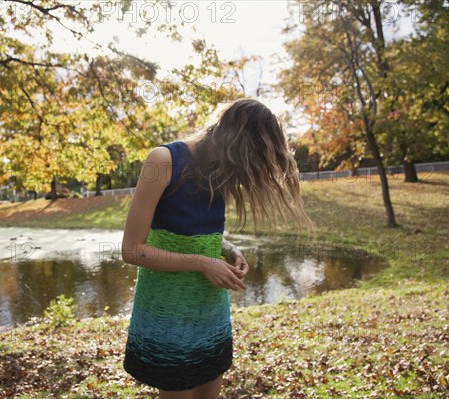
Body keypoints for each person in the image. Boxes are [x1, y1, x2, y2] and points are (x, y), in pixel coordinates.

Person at [121, 98, 313, 399]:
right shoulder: (163, 160)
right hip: (169, 312)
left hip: (210, 313)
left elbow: (192, 230)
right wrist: (202, 263)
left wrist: (228, 249)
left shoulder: (220, 170)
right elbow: (132, 249)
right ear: (232, 140)